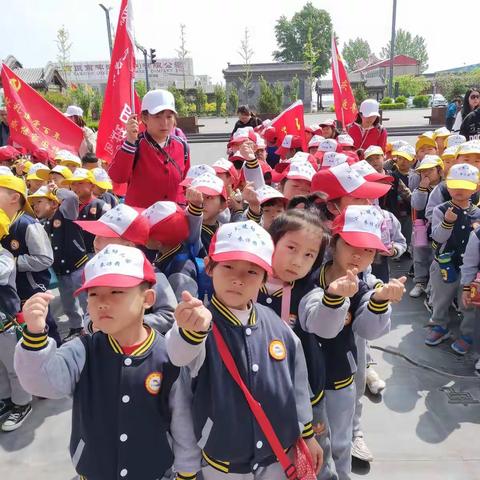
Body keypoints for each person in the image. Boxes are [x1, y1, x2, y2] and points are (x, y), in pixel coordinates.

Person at [14, 244, 200, 479]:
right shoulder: (82, 349)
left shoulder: (167, 354)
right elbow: (42, 383)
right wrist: (34, 336)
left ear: (148, 298)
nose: (102, 302)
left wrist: (187, 472)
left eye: (116, 292)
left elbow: (182, 421)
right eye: (93, 294)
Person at [166, 220, 323, 479]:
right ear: (209, 267)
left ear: (265, 276)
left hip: (277, 457)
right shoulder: (200, 323)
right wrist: (189, 332)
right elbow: (178, 355)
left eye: (252, 272)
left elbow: (296, 384)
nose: (238, 279)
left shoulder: (276, 324)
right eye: (227, 266)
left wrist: (306, 433)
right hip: (222, 465)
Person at [299, 205, 405, 480]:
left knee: (339, 445)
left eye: (368, 250)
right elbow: (320, 327)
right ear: (334, 242)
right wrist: (333, 298)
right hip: (301, 382)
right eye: (351, 244)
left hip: (338, 381)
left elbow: (368, 330)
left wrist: (381, 302)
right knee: (304, 449)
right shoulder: (307, 276)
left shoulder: (367, 287)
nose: (359, 255)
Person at [75, 203, 178, 334]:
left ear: (128, 245)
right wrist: (91, 325)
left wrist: (128, 323)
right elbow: (89, 312)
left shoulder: (152, 275)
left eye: (105, 235)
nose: (96, 241)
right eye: (96, 235)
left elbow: (169, 315)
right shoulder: (96, 272)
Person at [427, 163, 480, 354]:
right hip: (445, 264)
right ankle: (439, 325)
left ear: (475, 187)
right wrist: (448, 222)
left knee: (468, 303)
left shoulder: (477, 213)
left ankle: (467, 335)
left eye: (465, 186)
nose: (459, 190)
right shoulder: (441, 210)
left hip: (470, 269)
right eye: (455, 185)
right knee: (441, 298)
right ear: (447, 186)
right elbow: (438, 237)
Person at [109, 89, 190, 208]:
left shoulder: (182, 146)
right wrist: (130, 141)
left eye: (169, 116)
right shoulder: (134, 144)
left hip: (172, 220)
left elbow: (185, 183)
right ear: (144, 118)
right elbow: (118, 177)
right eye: (158, 117)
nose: (165, 122)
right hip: (141, 220)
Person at [28, 185, 89, 342]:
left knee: (86, 300)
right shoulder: (43, 224)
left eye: (39, 201)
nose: (35, 206)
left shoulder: (66, 214)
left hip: (78, 266)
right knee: (68, 303)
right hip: (61, 271)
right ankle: (77, 327)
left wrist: (55, 191)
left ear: (54, 203)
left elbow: (71, 198)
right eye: (33, 203)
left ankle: (93, 327)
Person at [0, 208, 33, 432]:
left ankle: (22, 403)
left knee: (13, 366)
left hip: (6, 322)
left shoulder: (5, 256)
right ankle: (6, 398)